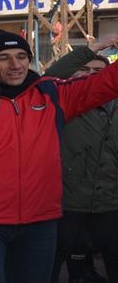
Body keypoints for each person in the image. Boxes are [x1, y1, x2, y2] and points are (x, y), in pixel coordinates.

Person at [0, 30, 118, 283]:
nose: (15, 65)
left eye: (21, 56)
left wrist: (101, 45)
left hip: (40, 221)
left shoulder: (51, 93)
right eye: (3, 58)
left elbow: (108, 83)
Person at [43, 38, 118, 283]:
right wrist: (93, 49)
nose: (90, 75)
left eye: (97, 71)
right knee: (50, 264)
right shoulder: (60, 103)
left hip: (110, 202)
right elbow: (50, 76)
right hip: (67, 202)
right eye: (84, 70)